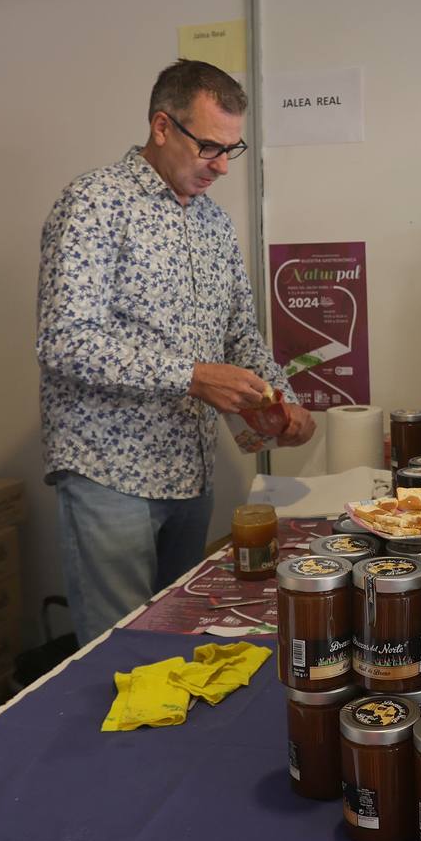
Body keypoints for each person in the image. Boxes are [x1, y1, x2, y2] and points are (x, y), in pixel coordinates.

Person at [37, 60, 315, 643]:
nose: (220, 166)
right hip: (109, 470)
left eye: (230, 151)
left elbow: (239, 331)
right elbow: (64, 341)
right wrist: (190, 376)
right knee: (122, 655)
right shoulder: (93, 203)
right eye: (209, 146)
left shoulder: (213, 222)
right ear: (162, 126)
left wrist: (282, 401)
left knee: (183, 641)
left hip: (191, 469)